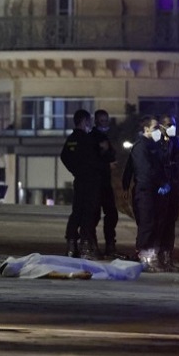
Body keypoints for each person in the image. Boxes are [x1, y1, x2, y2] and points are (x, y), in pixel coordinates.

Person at [60, 109, 105, 260]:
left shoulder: (71, 139)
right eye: (89, 120)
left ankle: (71, 244)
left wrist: (75, 170)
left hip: (79, 180)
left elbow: (64, 156)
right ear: (84, 121)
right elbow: (95, 160)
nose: (90, 123)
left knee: (77, 211)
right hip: (91, 181)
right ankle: (85, 245)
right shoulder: (88, 140)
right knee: (89, 212)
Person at [128, 116, 171, 272]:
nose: (158, 130)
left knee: (155, 223)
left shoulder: (154, 145)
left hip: (154, 191)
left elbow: (160, 167)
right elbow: (146, 170)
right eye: (155, 128)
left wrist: (165, 183)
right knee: (147, 224)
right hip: (145, 190)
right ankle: (144, 256)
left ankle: (151, 256)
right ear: (146, 129)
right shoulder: (140, 147)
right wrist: (161, 183)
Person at [89, 109, 123, 259]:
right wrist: (105, 160)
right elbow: (92, 160)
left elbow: (112, 154)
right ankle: (92, 245)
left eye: (106, 120)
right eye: (101, 121)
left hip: (105, 182)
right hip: (95, 182)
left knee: (111, 214)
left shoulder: (107, 136)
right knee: (93, 215)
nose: (104, 124)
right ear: (96, 121)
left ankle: (110, 245)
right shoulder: (92, 138)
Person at [155, 114, 179, 272]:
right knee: (159, 222)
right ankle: (156, 256)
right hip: (161, 187)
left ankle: (167, 256)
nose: (171, 128)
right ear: (161, 126)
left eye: (173, 124)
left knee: (170, 222)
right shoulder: (156, 141)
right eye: (168, 125)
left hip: (173, 185)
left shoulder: (176, 141)